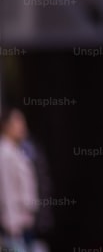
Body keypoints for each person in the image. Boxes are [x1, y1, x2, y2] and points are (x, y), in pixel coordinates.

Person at [0, 108, 38, 252]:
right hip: (15, 226)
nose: (23, 126)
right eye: (18, 122)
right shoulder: (4, 153)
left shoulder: (17, 150)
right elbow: (6, 190)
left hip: (23, 222)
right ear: (6, 126)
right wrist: (11, 226)